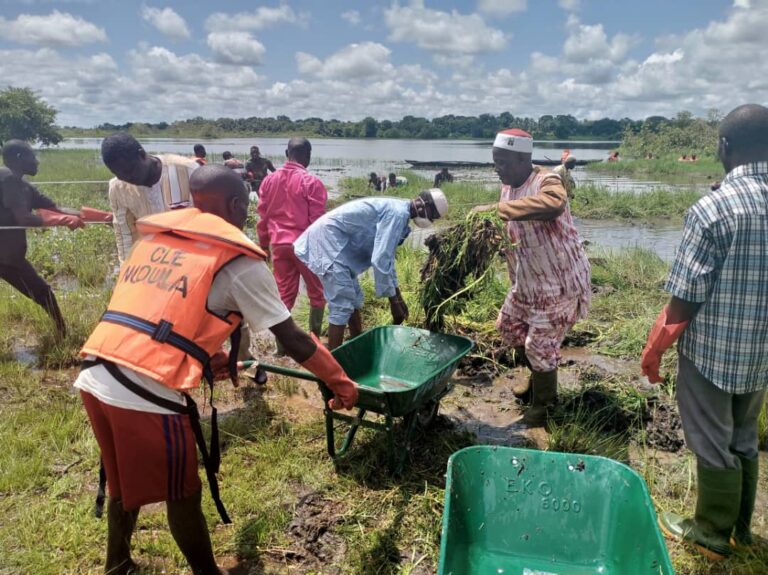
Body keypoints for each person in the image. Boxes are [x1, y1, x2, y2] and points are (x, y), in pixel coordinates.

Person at [75, 165, 358, 575]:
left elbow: (158, 312)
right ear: (238, 205)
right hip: (145, 388)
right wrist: (340, 382)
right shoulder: (238, 262)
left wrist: (202, 355)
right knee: (183, 492)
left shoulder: (157, 239)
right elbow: (293, 340)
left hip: (96, 369)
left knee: (122, 480)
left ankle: (117, 563)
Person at [641, 104, 768, 561]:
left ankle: (711, 533)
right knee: (744, 434)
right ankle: (741, 529)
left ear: (725, 146)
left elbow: (684, 299)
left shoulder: (715, 207)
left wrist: (654, 350)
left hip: (713, 352)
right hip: (761, 354)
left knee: (712, 439)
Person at [472, 129, 591, 427]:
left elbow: (554, 203)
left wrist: (498, 210)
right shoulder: (507, 185)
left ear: (523, 158)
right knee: (508, 328)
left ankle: (545, 405)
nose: (497, 168)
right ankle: (537, 380)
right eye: (494, 161)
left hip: (557, 283)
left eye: (502, 162)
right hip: (525, 281)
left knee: (539, 346)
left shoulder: (545, 179)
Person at [295, 190, 448, 349]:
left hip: (337, 247)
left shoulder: (400, 213)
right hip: (327, 243)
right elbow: (380, 259)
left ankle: (359, 347)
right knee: (342, 304)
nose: (431, 220)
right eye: (432, 216)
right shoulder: (397, 213)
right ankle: (333, 365)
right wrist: (393, 301)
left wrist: (398, 296)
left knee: (353, 299)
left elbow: (387, 260)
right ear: (424, 205)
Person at [0, 140, 91, 338]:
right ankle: (63, 334)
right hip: (5, 257)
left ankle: (62, 334)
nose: (37, 161)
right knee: (43, 293)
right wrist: (61, 220)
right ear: (19, 159)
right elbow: (23, 217)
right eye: (32, 156)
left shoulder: (23, 186)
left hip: (8, 260)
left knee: (42, 293)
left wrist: (101, 216)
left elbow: (56, 209)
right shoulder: (6, 178)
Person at [257, 137, 327, 349]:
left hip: (279, 246)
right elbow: (318, 222)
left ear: (287, 154)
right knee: (317, 293)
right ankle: (314, 341)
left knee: (284, 295)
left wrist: (263, 246)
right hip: (305, 246)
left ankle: (282, 347)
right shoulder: (312, 182)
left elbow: (263, 218)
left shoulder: (268, 181)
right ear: (308, 157)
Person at [102, 133, 198, 263]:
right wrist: (126, 270)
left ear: (142, 155)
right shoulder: (118, 187)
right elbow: (125, 234)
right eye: (119, 174)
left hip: (193, 258)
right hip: (153, 263)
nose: (127, 178)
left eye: (131, 170)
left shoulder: (188, 171)